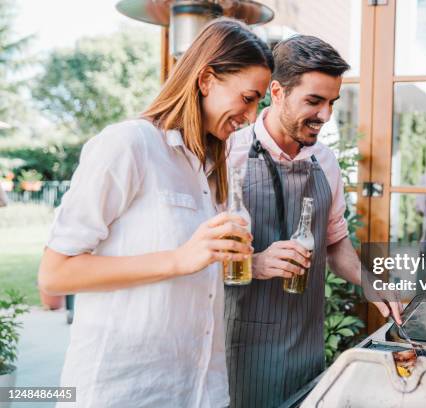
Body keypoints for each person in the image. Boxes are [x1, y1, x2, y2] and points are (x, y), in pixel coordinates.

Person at [38, 19, 272, 408]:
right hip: (125, 390)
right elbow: (54, 274)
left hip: (198, 388)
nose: (251, 116)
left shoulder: (213, 167)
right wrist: (180, 259)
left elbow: (198, 278)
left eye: (258, 103)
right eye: (248, 98)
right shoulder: (129, 145)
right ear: (206, 79)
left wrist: (251, 263)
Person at [226, 35, 403, 408]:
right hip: (239, 353)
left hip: (306, 347)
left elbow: (335, 244)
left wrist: (372, 284)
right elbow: (197, 257)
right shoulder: (230, 155)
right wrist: (254, 264)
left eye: (331, 103)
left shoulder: (325, 161)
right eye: (314, 101)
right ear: (277, 91)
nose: (325, 115)